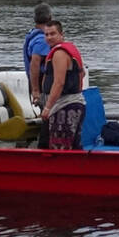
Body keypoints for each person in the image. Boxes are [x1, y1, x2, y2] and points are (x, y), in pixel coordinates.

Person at [38, 20, 87, 150]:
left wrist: (47, 107)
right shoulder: (70, 49)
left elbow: (59, 83)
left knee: (60, 149)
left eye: (52, 34)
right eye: (46, 34)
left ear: (61, 34)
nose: (49, 37)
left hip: (64, 106)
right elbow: (82, 74)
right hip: (76, 103)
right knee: (73, 146)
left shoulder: (59, 53)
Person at [23, 3, 52, 106]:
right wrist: (36, 90)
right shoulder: (42, 39)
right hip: (41, 84)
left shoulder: (33, 34)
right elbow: (35, 64)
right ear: (50, 17)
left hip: (37, 82)